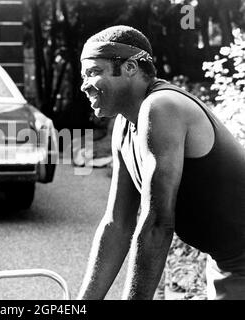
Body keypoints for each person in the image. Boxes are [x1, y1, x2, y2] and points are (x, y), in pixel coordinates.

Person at [77, 25, 245, 300]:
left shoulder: (163, 107)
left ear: (130, 67)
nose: (84, 85)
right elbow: (116, 225)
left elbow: (157, 221)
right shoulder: (124, 124)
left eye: (94, 72)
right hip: (226, 261)